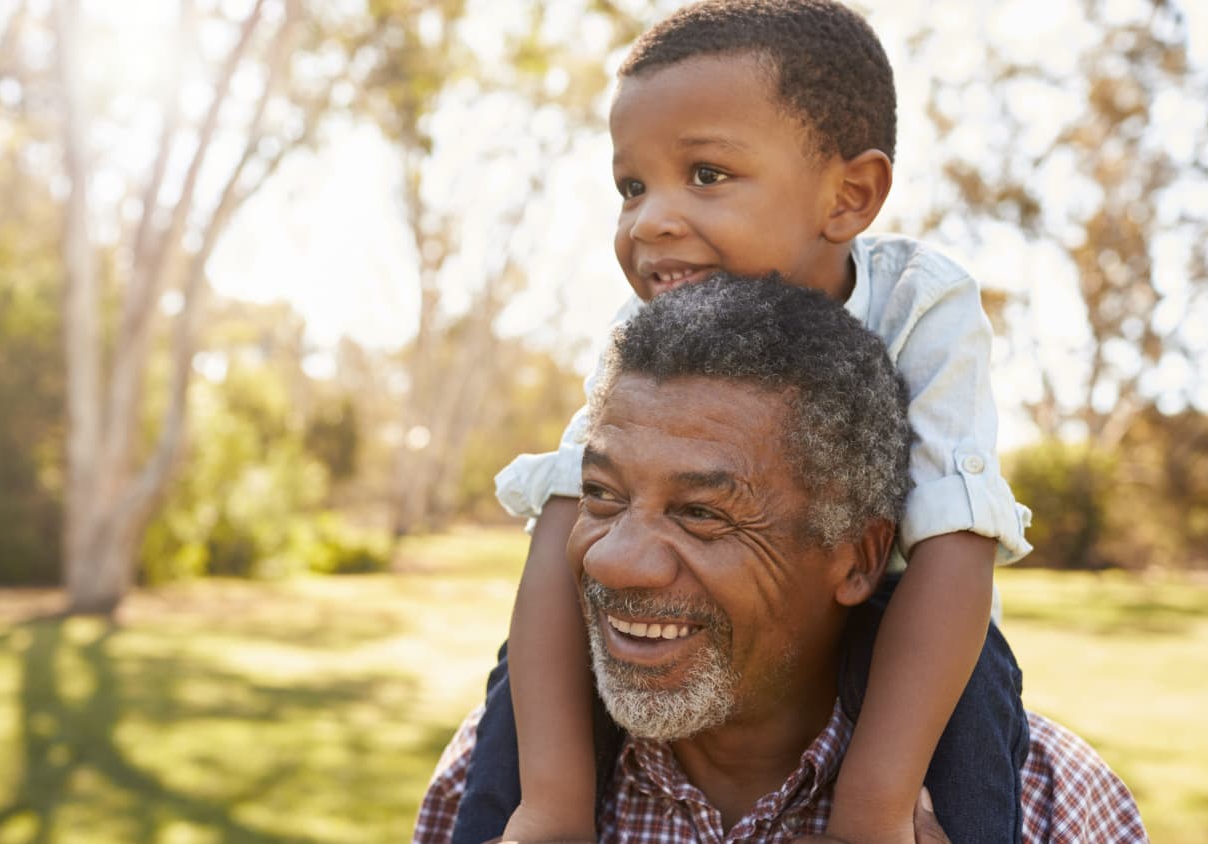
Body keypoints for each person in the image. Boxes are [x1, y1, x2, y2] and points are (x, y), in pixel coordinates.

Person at [456, 2, 1037, 843]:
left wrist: (873, 811)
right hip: (704, 639)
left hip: (896, 616)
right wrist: (549, 803)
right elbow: (563, 521)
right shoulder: (643, 331)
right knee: (530, 666)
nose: (649, 218)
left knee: (974, 676)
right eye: (632, 186)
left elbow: (955, 541)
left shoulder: (921, 301)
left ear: (849, 196)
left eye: (705, 175)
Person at [419, 277, 1144, 843]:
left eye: (701, 512)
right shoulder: (492, 781)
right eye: (602, 496)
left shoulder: (1053, 805)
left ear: (859, 560)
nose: (615, 562)